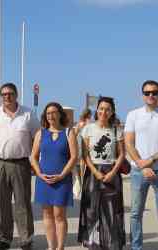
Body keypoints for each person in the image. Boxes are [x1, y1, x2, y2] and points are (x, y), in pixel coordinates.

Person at [124, 80, 158, 250]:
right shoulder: (133, 115)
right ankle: (136, 246)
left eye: (154, 92)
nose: (151, 96)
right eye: (147, 93)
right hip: (138, 171)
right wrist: (144, 166)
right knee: (135, 213)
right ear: (142, 95)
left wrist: (151, 160)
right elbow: (129, 143)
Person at [0, 82, 40, 250]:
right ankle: (4, 239)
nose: (6, 97)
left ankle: (26, 239)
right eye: (3, 94)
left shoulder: (28, 114)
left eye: (10, 93)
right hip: (0, 164)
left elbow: (37, 135)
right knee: (2, 204)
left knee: (22, 204)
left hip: (21, 164)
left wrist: (34, 159)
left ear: (16, 95)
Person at [77, 97, 127, 249]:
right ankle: (93, 241)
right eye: (101, 109)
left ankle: (111, 242)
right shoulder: (88, 129)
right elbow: (85, 155)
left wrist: (113, 172)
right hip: (93, 173)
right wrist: (94, 171)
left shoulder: (117, 130)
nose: (104, 112)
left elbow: (121, 154)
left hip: (111, 172)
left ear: (112, 112)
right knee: (91, 208)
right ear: (96, 110)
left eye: (107, 109)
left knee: (112, 209)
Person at [29, 102, 78, 250]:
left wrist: (62, 175)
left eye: (54, 112)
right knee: (47, 214)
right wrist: (40, 174)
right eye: (48, 113)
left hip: (62, 179)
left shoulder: (69, 132)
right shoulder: (40, 133)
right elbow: (33, 157)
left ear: (60, 114)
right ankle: (51, 246)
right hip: (44, 180)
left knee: (59, 214)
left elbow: (74, 157)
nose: (51, 115)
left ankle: (60, 247)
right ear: (45, 116)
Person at [72, 108, 93, 199]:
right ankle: (82, 179)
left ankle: (80, 180)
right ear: (88, 115)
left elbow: (74, 134)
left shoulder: (79, 123)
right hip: (85, 144)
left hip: (80, 143)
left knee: (81, 162)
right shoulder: (89, 123)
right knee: (84, 162)